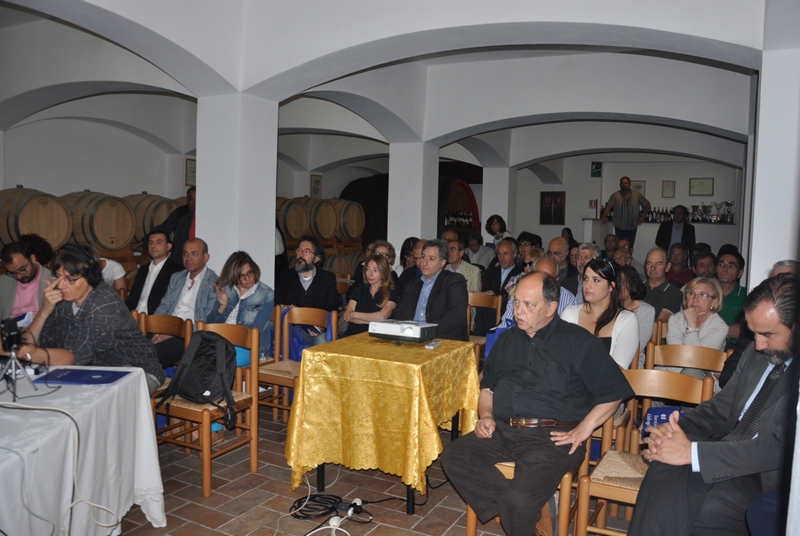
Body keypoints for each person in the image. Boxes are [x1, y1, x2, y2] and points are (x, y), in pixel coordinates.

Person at [440, 272, 634, 534]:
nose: (519, 310)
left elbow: (614, 391)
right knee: (454, 456)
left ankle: (520, 509)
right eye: (516, 302)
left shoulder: (579, 342)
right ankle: (529, 512)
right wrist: (485, 415)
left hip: (552, 438)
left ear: (551, 308)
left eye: (528, 305)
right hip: (503, 430)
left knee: (518, 501)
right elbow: (488, 387)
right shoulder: (507, 339)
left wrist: (585, 428)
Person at [629, 273, 800, 536]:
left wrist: (692, 454)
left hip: (763, 476)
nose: (758, 344)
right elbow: (721, 407)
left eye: (767, 334)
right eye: (754, 333)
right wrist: (673, 431)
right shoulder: (757, 352)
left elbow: (778, 448)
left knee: (696, 509)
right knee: (665, 465)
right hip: (722, 446)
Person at [10, 247, 164, 395]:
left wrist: (15, 350)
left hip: (136, 371)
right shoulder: (63, 299)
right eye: (58, 277)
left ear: (91, 278)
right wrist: (44, 311)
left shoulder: (104, 305)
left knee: (91, 405)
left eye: (70, 279)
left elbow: (70, 358)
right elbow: (31, 342)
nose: (61, 285)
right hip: (94, 371)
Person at [719, 260, 800, 389]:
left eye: (788, 283)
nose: (759, 344)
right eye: (772, 283)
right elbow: (727, 379)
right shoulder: (752, 331)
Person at [561, 259, 639, 369]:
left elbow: (618, 370)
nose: (587, 285)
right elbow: (560, 358)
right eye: (586, 279)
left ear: (611, 286)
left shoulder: (626, 320)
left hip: (606, 383)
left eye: (596, 280)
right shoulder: (570, 314)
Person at [152, 238, 218, 367]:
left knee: (151, 354)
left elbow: (207, 322)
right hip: (167, 329)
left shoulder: (215, 283)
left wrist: (173, 332)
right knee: (134, 347)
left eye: (194, 253)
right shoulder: (177, 277)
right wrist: (159, 328)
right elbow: (164, 306)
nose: (188, 258)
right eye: (185, 253)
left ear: (205, 257)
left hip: (190, 335)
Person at [392, 239, 468, 341]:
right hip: (412, 336)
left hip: (442, 338)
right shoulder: (412, 283)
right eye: (423, 257)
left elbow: (456, 315)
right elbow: (399, 312)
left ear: (442, 263)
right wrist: (408, 327)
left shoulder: (454, 281)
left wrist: (426, 331)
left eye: (431, 258)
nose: (424, 262)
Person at [207, 251, 275, 359]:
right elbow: (209, 324)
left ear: (255, 269)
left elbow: (256, 330)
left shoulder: (266, 294)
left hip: (248, 348)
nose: (247, 278)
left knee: (212, 358)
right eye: (242, 276)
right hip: (220, 343)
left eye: (250, 272)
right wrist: (222, 306)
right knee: (197, 347)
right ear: (233, 276)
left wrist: (227, 336)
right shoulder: (226, 289)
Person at [274, 236, 338, 345]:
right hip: (291, 328)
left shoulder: (327, 278)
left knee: (323, 340)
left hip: (315, 332)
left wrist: (322, 327)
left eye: (307, 251)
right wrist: (291, 311)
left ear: (317, 258)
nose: (301, 254)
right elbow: (277, 303)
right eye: (299, 250)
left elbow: (332, 309)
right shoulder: (285, 276)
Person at [665, 277, 728, 381]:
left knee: (690, 372)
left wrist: (691, 325)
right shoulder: (675, 319)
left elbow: (696, 361)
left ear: (714, 302)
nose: (695, 299)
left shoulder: (720, 327)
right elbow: (674, 357)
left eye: (702, 295)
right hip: (673, 370)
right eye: (691, 293)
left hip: (703, 376)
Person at [126, 231, 182, 314]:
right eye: (150, 243)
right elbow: (132, 299)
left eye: (159, 242)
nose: (153, 246)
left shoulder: (177, 271)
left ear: (168, 246)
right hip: (134, 316)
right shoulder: (143, 270)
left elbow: (173, 304)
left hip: (156, 319)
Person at [342, 255, 398, 336]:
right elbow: (347, 316)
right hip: (353, 333)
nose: (370, 274)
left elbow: (382, 317)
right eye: (368, 269)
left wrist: (354, 315)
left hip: (377, 335)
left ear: (383, 272)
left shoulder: (392, 291)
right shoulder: (359, 288)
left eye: (375, 270)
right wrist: (374, 320)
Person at [0, 241, 52, 324]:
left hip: (41, 333)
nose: (19, 276)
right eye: (13, 273)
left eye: (22, 270)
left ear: (33, 259)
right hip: (11, 333)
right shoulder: (3, 282)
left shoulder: (52, 281)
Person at [617, 265, 655, 368]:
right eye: (617, 283)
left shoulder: (647, 311)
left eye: (623, 283)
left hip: (633, 362)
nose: (619, 287)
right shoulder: (610, 308)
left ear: (632, 284)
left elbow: (637, 345)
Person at [600, 176, 651, 246]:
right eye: (622, 183)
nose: (624, 185)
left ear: (630, 184)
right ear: (620, 185)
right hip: (620, 228)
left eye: (626, 183)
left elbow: (647, 205)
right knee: (619, 246)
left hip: (632, 227)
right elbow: (608, 206)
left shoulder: (637, 195)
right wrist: (604, 216)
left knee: (629, 247)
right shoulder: (615, 195)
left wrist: (642, 217)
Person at [642, 247, 683, 322]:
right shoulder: (636, 286)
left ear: (667, 267)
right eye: (649, 263)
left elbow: (659, 324)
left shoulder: (674, 294)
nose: (653, 268)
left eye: (658, 264)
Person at [717, 251, 747, 347]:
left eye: (731, 266)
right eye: (721, 264)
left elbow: (743, 331)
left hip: (733, 348)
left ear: (740, 273)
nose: (724, 269)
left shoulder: (746, 295)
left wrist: (710, 329)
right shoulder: (706, 291)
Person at [482, 239, 523, 305]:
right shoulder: (490, 272)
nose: (502, 258)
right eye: (499, 254)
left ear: (514, 254)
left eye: (506, 254)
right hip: (490, 307)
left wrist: (496, 295)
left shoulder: (520, 274)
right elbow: (486, 291)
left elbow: (510, 294)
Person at [167, 186, 196, 266]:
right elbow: (178, 245)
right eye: (191, 199)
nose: (194, 202)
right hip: (183, 263)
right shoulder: (182, 217)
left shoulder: (208, 219)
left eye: (197, 199)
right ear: (187, 200)